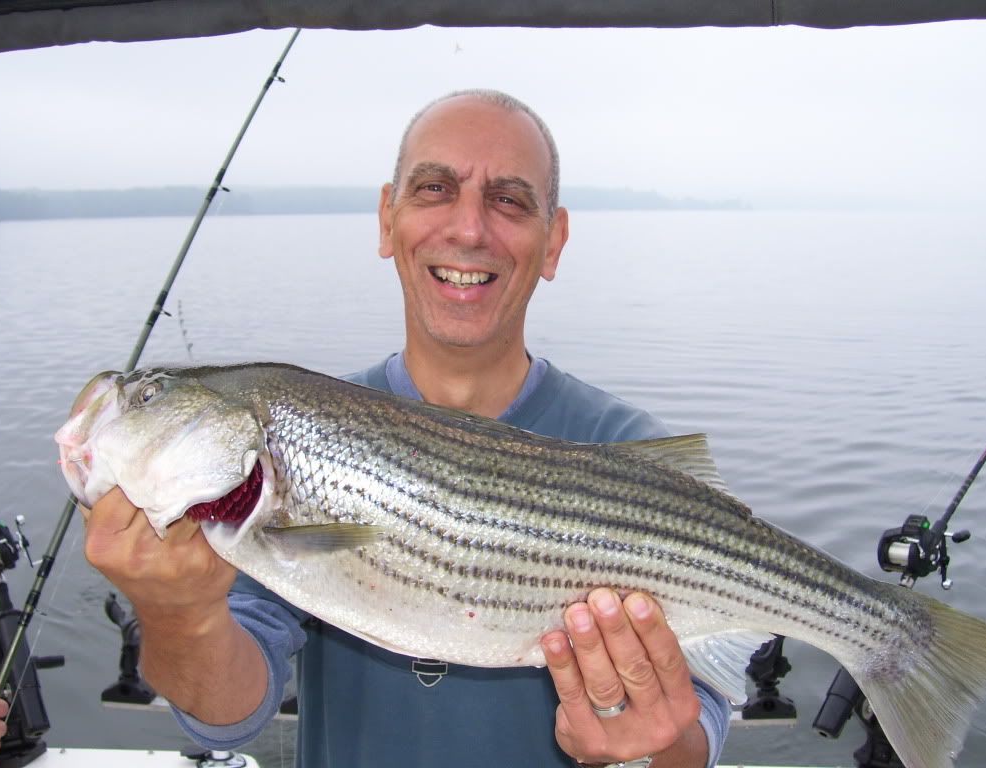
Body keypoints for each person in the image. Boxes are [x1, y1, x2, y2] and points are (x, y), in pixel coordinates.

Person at [82, 89, 731, 768]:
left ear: (554, 241)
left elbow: (703, 716)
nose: (469, 229)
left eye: (509, 199)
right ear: (387, 219)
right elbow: (227, 718)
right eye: (435, 189)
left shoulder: (629, 448)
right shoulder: (300, 442)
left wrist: (657, 749)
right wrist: (179, 614)